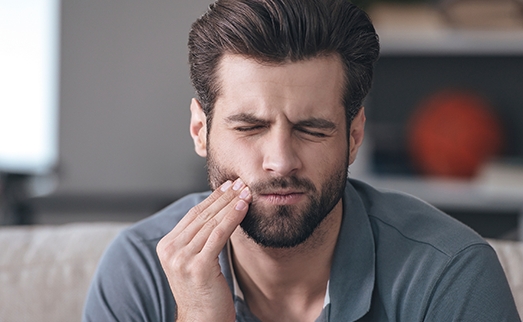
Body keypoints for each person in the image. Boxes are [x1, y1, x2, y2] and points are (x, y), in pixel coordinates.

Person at [83, 0, 520, 321]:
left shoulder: (449, 272)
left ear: (353, 137)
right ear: (201, 131)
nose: (280, 162)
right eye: (249, 127)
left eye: (312, 129)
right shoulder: (139, 270)